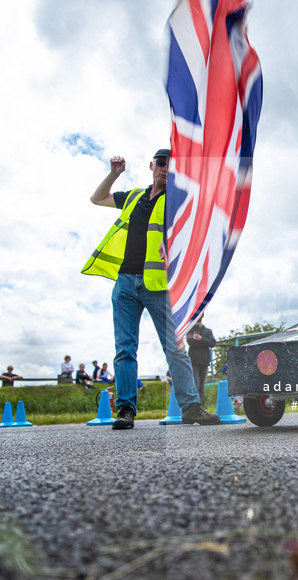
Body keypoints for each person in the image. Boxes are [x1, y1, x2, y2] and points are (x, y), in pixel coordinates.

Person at [84, 148, 219, 428]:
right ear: (151, 166)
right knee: (124, 349)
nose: (164, 168)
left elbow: (197, 231)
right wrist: (114, 174)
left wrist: (174, 243)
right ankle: (126, 411)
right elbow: (97, 199)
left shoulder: (178, 202)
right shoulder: (133, 196)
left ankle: (191, 408)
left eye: (171, 165)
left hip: (158, 286)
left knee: (175, 347)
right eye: (160, 163)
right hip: (125, 283)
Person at [187, 314, 217, 404]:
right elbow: (190, 343)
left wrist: (201, 339)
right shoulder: (190, 330)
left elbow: (212, 343)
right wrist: (203, 343)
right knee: (195, 384)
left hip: (204, 361)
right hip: (193, 361)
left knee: (201, 386)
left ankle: (201, 404)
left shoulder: (208, 331)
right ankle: (195, 404)